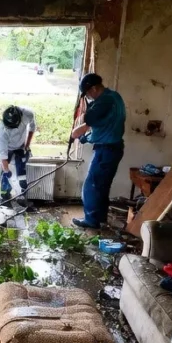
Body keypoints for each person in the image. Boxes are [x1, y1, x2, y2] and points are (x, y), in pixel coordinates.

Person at [70, 73, 126, 229]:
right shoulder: (115, 97)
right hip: (114, 147)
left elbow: (91, 119)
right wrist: (87, 137)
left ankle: (91, 220)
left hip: (105, 150)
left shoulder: (104, 100)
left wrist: (83, 129)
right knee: (102, 185)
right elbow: (105, 125)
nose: (88, 97)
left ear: (94, 88)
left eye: (88, 93)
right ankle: (100, 218)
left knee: (92, 186)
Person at [0, 105, 36, 204]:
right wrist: (6, 170)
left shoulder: (28, 114)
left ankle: (21, 196)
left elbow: (32, 127)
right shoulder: (1, 130)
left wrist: (27, 145)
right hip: (7, 148)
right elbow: (3, 153)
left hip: (21, 146)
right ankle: (5, 196)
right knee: (6, 174)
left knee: (21, 171)